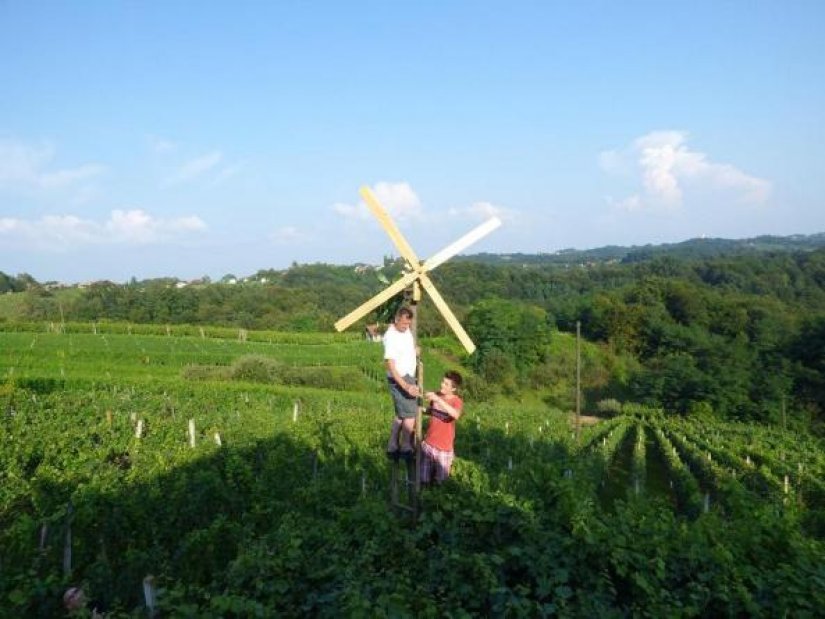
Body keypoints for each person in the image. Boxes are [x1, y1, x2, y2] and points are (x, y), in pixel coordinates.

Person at [383, 306, 420, 459]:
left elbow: (406, 348)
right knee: (410, 414)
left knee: (401, 414)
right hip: (400, 378)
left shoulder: (405, 331)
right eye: (404, 324)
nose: (407, 327)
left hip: (407, 376)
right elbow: (391, 366)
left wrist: (414, 351)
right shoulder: (390, 336)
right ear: (396, 320)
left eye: (409, 324)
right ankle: (405, 446)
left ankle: (392, 445)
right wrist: (407, 387)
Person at [420, 371, 464, 484]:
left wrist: (438, 400)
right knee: (423, 480)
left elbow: (455, 415)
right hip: (428, 445)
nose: (442, 385)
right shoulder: (437, 395)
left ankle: (437, 502)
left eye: (446, 384)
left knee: (441, 483)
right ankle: (422, 500)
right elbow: (433, 411)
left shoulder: (456, 401)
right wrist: (421, 410)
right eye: (442, 382)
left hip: (443, 449)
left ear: (453, 389)